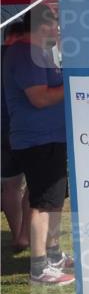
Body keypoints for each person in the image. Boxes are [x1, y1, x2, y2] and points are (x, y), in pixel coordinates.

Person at [2, 6, 74, 285]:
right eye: (54, 25)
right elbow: (40, 98)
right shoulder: (24, 55)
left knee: (53, 201)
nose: (57, 30)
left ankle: (53, 255)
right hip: (38, 140)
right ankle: (39, 266)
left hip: (51, 139)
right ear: (41, 27)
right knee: (42, 203)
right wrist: (71, 82)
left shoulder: (39, 53)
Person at [1, 19, 31, 252]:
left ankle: (18, 234)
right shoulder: (26, 57)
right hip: (25, 128)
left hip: (4, 129)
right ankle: (25, 234)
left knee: (10, 185)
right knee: (36, 184)